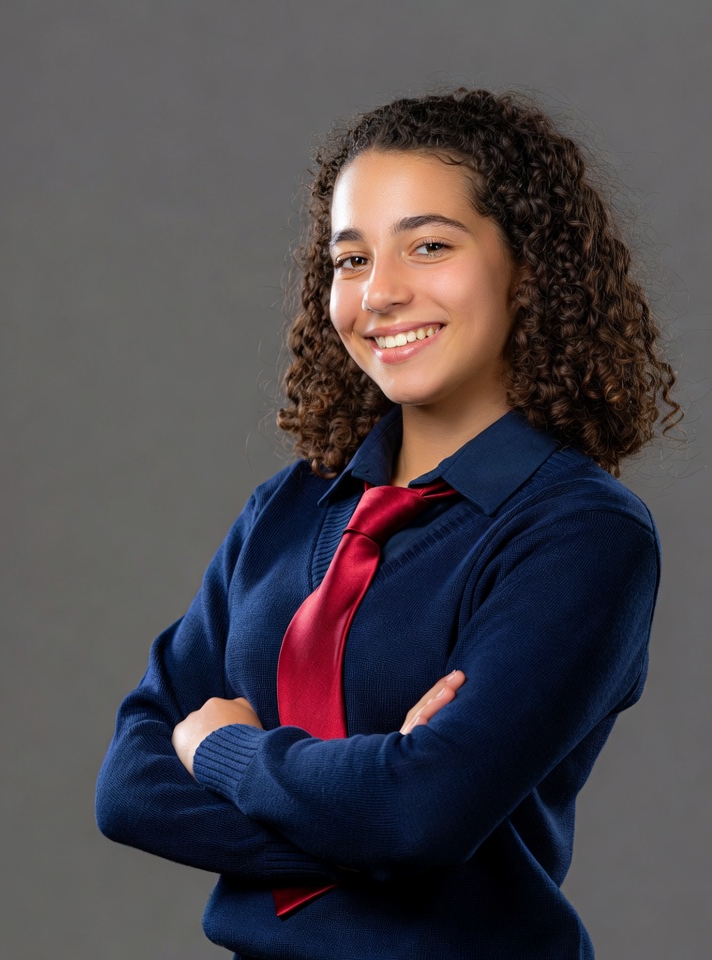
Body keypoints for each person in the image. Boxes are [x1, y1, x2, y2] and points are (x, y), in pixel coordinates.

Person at [95, 87, 681, 959]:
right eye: (352, 259)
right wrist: (367, 810)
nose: (382, 294)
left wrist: (225, 755)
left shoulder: (582, 535)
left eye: (430, 246)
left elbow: (417, 817)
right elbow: (128, 786)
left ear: (528, 270)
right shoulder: (287, 511)